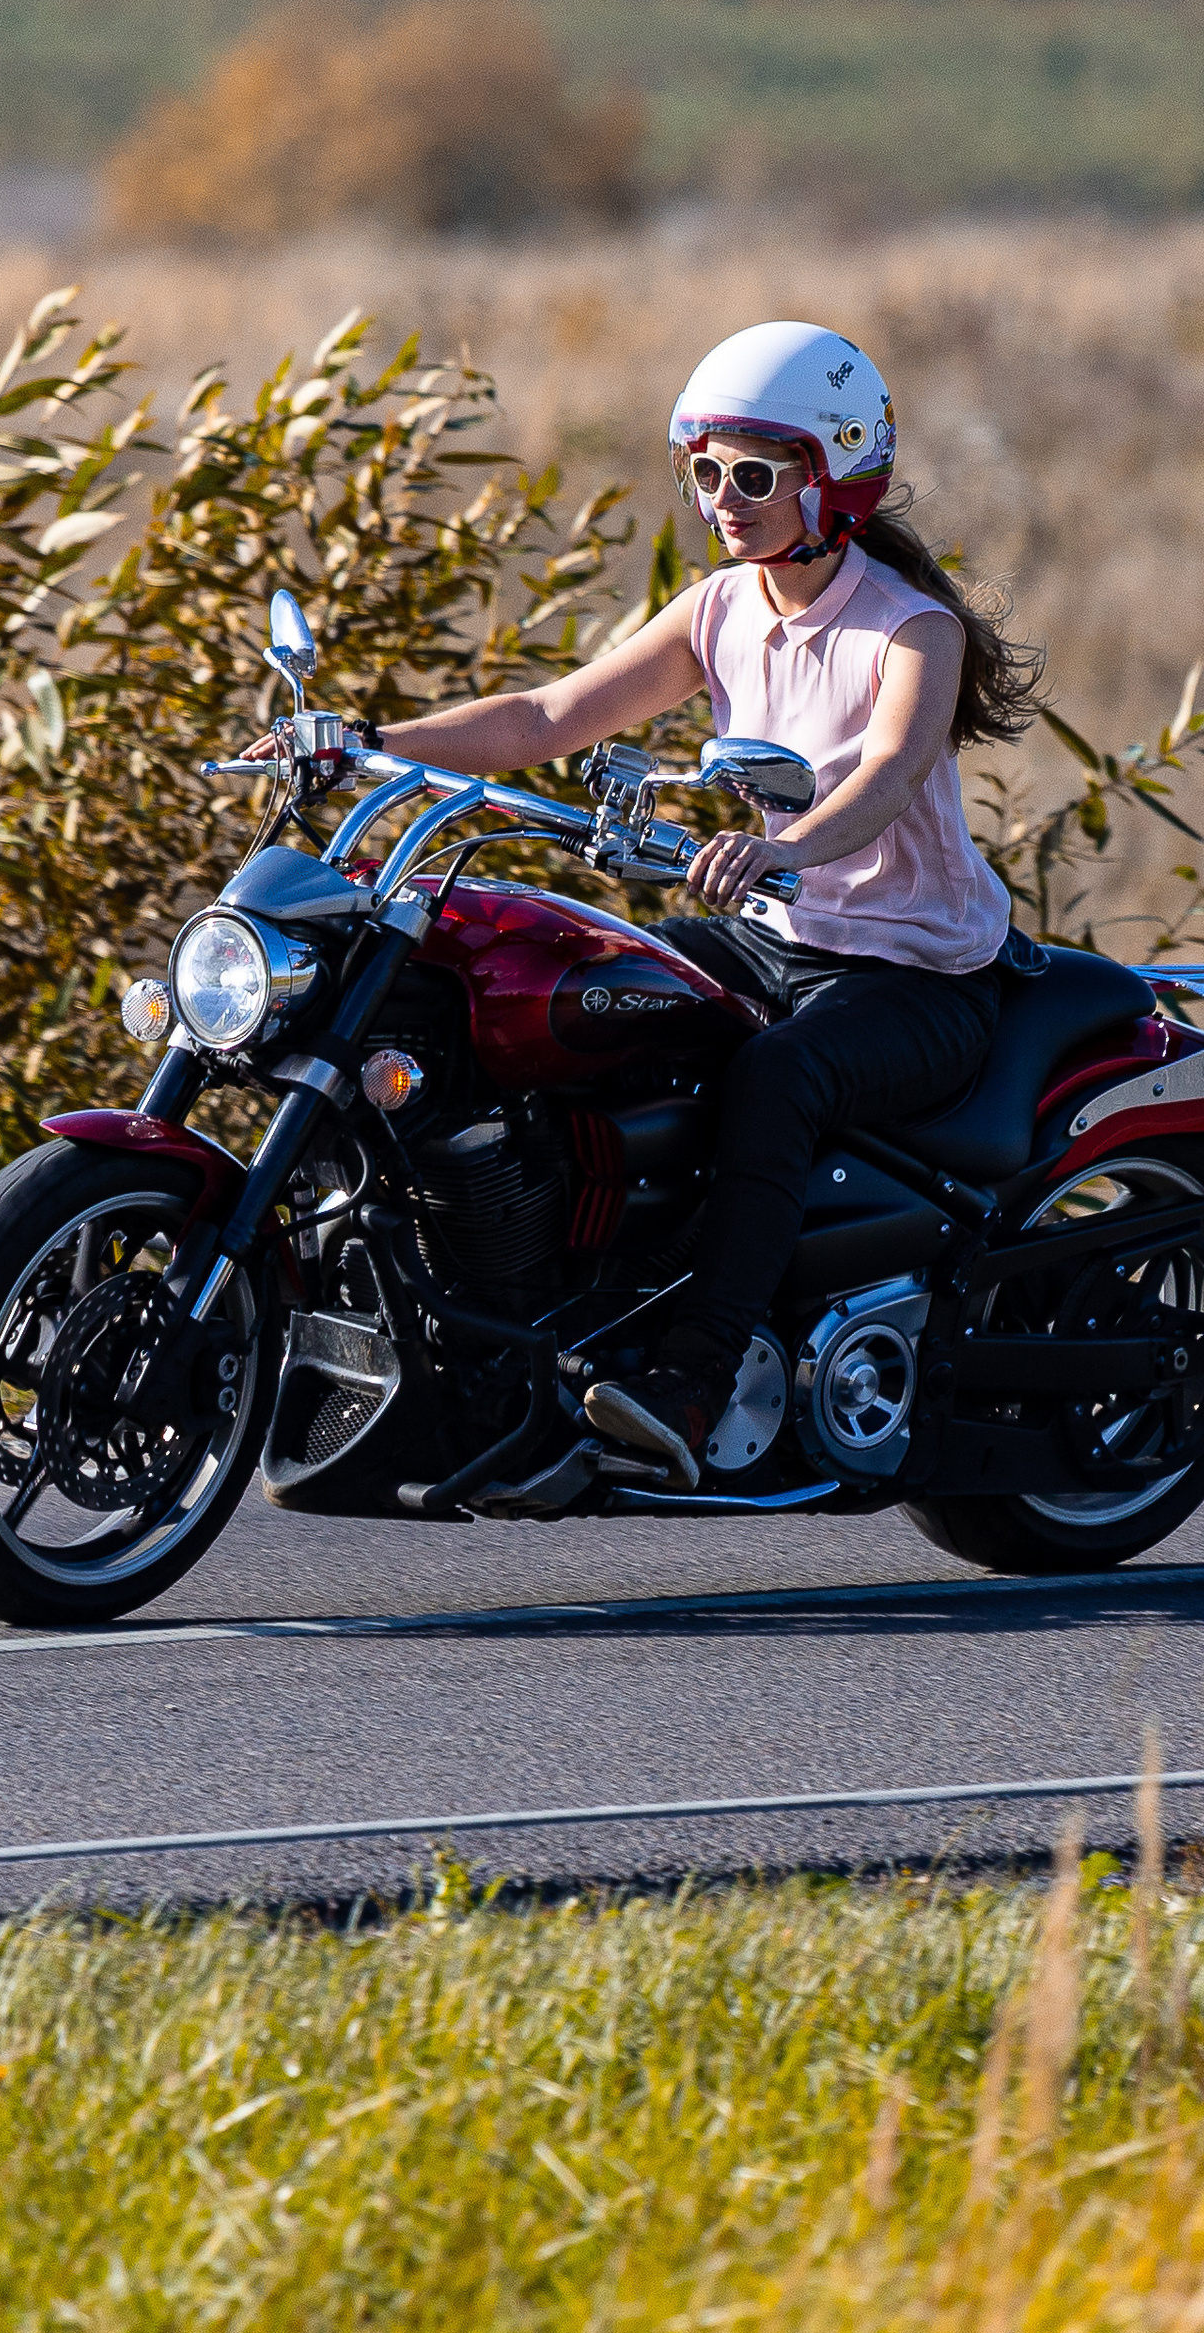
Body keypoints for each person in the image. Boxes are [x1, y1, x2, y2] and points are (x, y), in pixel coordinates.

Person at [371, 320, 1040, 1488]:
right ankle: (532, 1311)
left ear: (831, 478)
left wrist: (788, 850)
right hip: (774, 942)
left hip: (916, 976)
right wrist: (359, 743)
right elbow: (545, 718)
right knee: (580, 984)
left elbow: (883, 778)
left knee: (775, 1076)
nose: (724, 498)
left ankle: (691, 1373)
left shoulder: (907, 629)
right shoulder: (723, 605)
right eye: (706, 471)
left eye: (755, 473)